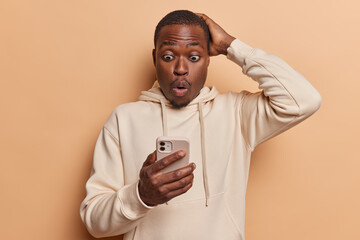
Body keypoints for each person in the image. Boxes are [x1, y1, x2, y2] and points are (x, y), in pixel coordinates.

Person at [80, 10, 321, 239]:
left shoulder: (236, 114)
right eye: (168, 57)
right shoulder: (124, 120)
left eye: (194, 57)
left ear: (209, 60)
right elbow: (94, 222)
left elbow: (304, 100)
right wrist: (141, 196)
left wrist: (231, 47)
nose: (181, 69)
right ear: (154, 59)